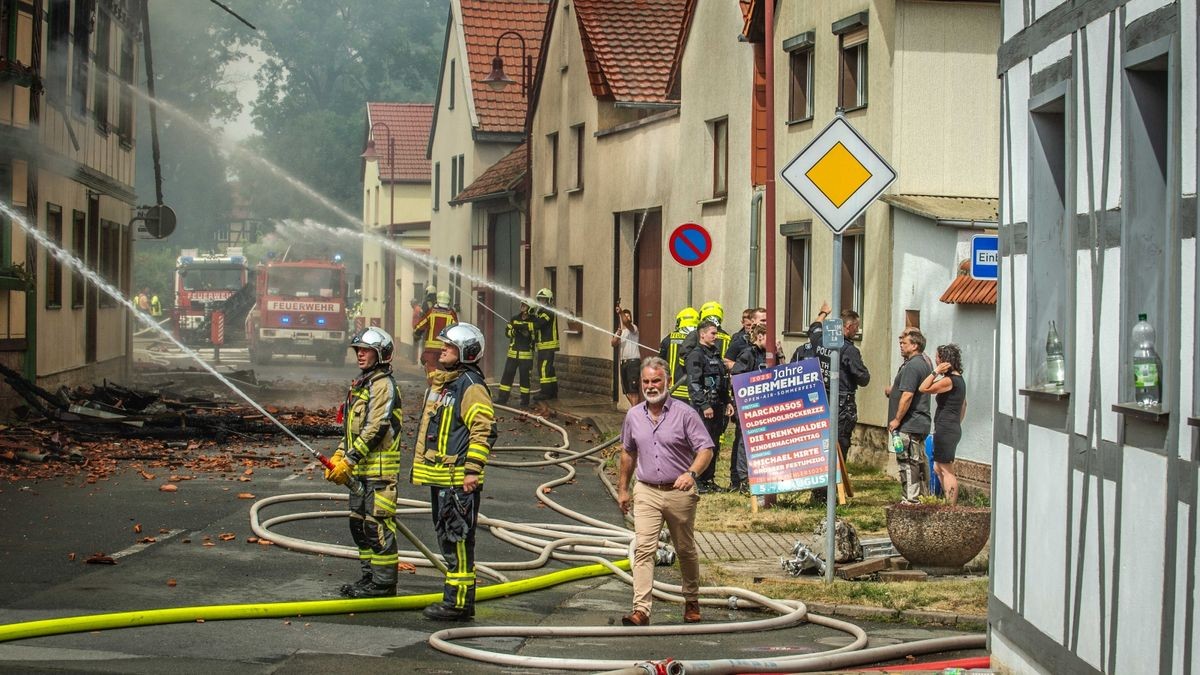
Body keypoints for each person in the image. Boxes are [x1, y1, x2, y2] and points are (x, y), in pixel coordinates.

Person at [616, 357, 713, 627]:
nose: (650, 386)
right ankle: (641, 610)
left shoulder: (685, 414)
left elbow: (706, 449)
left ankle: (691, 601)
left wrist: (691, 474)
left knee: (684, 549)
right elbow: (627, 452)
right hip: (646, 490)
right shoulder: (634, 415)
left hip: (678, 492)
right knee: (644, 549)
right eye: (645, 381)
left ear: (667, 381)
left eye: (656, 380)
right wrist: (623, 489)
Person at [411, 323, 497, 621]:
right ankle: (455, 599)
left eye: (448, 346)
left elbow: (483, 430)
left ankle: (459, 604)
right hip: (443, 478)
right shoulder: (447, 383)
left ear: (465, 352)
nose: (441, 349)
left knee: (458, 540)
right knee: (447, 538)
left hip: (459, 479)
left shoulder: (470, 386)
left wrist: (472, 471)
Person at [323, 327, 403, 598]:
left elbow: (375, 428)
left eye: (366, 350)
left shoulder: (383, 386)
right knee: (358, 525)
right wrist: (338, 456)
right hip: (360, 470)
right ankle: (369, 579)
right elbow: (351, 428)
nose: (360, 355)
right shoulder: (361, 385)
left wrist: (349, 459)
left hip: (380, 471)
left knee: (377, 527)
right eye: (358, 350)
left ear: (381, 354)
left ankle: (383, 584)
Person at [729, 324, 779, 493]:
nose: (773, 342)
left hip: (766, 406)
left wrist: (780, 354)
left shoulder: (772, 355)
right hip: (748, 405)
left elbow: (781, 373)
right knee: (745, 442)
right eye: (769, 339)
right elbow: (737, 378)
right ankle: (743, 479)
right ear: (759, 337)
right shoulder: (748, 354)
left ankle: (762, 474)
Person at [885, 328, 933, 503]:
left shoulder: (913, 365)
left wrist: (897, 419)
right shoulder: (923, 362)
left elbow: (908, 395)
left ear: (915, 345)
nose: (901, 346)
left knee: (908, 461)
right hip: (918, 422)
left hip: (910, 423)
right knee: (918, 460)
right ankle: (922, 496)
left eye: (904, 343)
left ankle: (911, 499)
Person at [686, 321, 733, 493]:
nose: (716, 336)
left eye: (716, 333)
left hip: (717, 406)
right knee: (701, 444)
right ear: (702, 334)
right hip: (703, 408)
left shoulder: (715, 354)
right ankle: (696, 479)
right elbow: (694, 384)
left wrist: (727, 401)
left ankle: (708, 479)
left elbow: (722, 381)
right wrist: (704, 405)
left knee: (713, 444)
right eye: (713, 333)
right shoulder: (696, 355)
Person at [919, 344, 966, 505]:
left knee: (946, 469)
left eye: (938, 357)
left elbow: (923, 388)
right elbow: (964, 405)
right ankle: (947, 501)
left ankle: (951, 506)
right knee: (938, 468)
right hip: (949, 428)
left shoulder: (949, 381)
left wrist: (935, 371)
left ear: (945, 360)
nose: (935, 360)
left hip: (946, 430)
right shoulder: (959, 380)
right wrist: (955, 423)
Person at [497, 301, 535, 407]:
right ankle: (502, 398)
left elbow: (535, 336)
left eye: (525, 305)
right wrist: (515, 332)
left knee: (525, 378)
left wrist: (527, 333)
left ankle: (525, 401)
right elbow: (507, 332)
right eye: (521, 304)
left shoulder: (534, 320)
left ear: (530, 308)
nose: (522, 306)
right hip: (512, 354)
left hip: (526, 355)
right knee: (507, 376)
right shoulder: (514, 318)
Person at [413, 291, 458, 374]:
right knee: (444, 372)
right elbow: (457, 330)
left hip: (431, 350)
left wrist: (416, 333)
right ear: (448, 302)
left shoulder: (431, 312)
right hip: (445, 349)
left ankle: (432, 386)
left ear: (437, 301)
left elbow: (420, 326)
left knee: (431, 371)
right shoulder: (451, 314)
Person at [661, 307, 699, 403]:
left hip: (674, 390)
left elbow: (660, 364)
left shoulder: (668, 339)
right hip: (695, 391)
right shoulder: (700, 340)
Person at [531, 288, 560, 400]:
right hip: (544, 345)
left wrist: (526, 322)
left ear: (549, 300)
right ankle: (553, 391)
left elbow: (540, 323)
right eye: (540, 299)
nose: (542, 301)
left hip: (548, 345)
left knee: (543, 368)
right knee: (549, 368)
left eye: (544, 299)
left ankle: (545, 392)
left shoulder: (549, 311)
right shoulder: (542, 311)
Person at [612, 304, 642, 407]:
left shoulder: (633, 329)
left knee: (633, 390)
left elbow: (626, 322)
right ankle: (636, 409)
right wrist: (617, 336)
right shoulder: (622, 332)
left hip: (633, 362)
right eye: (626, 316)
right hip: (623, 362)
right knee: (626, 391)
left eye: (629, 316)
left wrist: (620, 312)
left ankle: (635, 413)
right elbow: (613, 343)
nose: (627, 318)